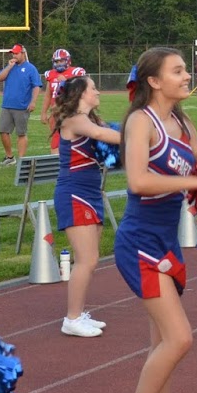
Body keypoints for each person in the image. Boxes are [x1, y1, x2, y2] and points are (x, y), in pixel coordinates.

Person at [111, 47, 197, 393]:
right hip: (140, 241)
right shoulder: (142, 121)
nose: (186, 76)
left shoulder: (183, 121)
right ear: (154, 81)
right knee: (179, 338)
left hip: (168, 240)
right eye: (177, 71)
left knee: (162, 342)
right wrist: (194, 181)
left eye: (186, 70)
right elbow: (138, 180)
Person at [52, 75, 121, 336]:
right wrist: (143, 133)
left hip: (91, 192)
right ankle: (71, 319)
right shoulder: (75, 120)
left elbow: (105, 133)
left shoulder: (89, 119)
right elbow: (102, 134)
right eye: (93, 88)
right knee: (87, 259)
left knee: (90, 259)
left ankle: (79, 313)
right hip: (74, 193)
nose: (98, 91)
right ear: (81, 93)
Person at [0, 44, 43, 165]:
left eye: (16, 53)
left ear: (23, 53)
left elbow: (36, 86)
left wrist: (33, 102)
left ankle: (21, 159)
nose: (14, 55)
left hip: (22, 107)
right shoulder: (10, 67)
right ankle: (10, 157)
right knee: (3, 131)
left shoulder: (31, 68)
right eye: (13, 53)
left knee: (21, 133)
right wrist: (9, 67)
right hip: (7, 105)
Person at [41, 49, 86, 152]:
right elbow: (48, 95)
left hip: (71, 112)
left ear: (68, 61)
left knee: (75, 139)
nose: (59, 63)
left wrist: (67, 82)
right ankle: (56, 164)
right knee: (55, 142)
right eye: (56, 61)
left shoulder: (76, 72)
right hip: (55, 113)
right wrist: (43, 112)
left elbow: (81, 89)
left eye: (61, 61)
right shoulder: (51, 74)